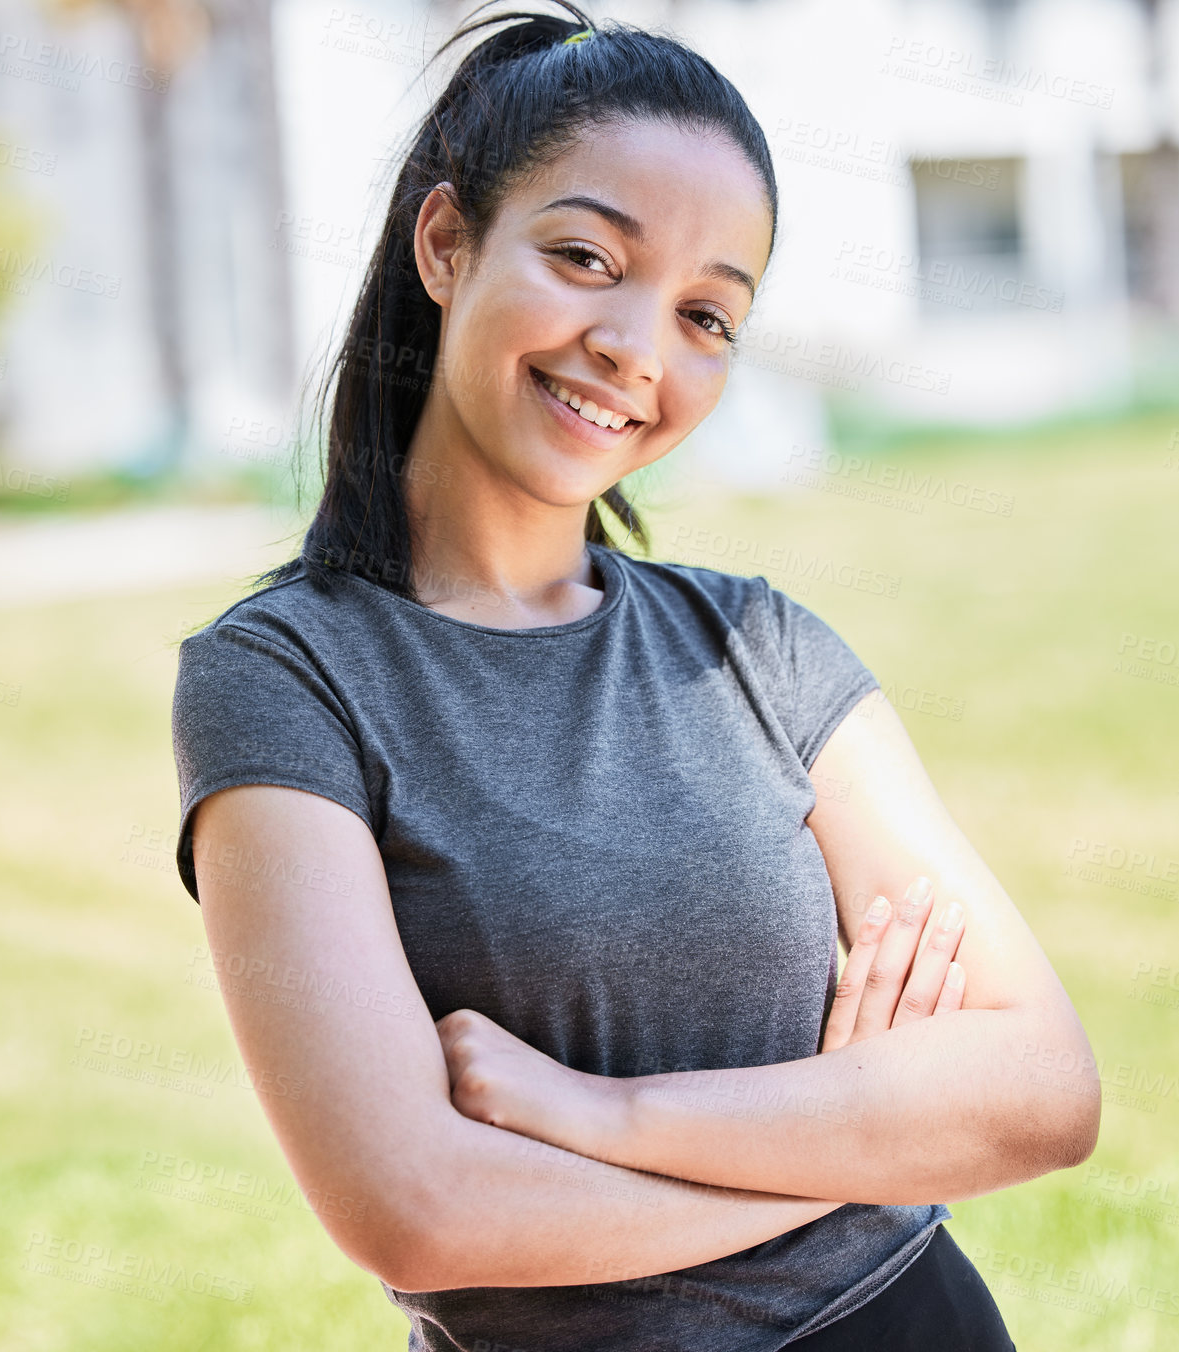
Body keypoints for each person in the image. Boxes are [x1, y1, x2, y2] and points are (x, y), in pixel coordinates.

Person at [169, 4, 1099, 1348]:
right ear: (446, 244)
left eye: (708, 314)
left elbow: (1043, 1090)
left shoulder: (762, 650)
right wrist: (855, 1140)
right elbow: (416, 1210)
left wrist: (599, 1117)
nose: (639, 348)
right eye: (587, 258)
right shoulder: (285, 682)